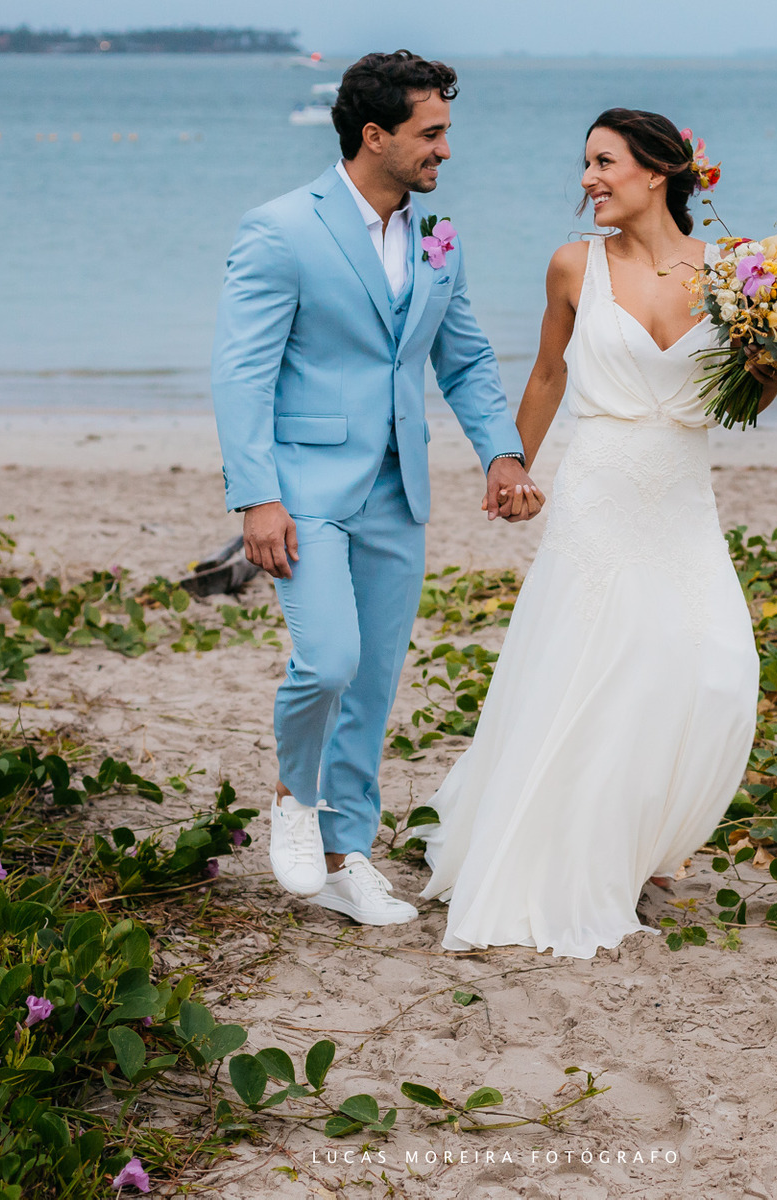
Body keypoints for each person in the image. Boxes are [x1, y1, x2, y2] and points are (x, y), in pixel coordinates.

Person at [414, 108, 777, 957]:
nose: (587, 179)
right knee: (596, 670)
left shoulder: (737, 274)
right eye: (586, 163)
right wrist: (511, 465)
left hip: (682, 495)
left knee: (718, 671)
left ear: (657, 171)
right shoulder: (572, 265)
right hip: (599, 489)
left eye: (604, 162)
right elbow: (549, 373)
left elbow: (749, 400)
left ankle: (637, 842)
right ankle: (581, 855)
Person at [210, 50, 543, 926]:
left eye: (445, 132)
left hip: (400, 489)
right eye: (430, 133)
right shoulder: (282, 229)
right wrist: (257, 497)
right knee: (328, 660)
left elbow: (462, 357)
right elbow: (242, 372)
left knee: (373, 685)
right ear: (374, 135)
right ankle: (294, 796)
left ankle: (345, 853)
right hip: (305, 489)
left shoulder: (439, 237)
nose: (445, 150)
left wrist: (502, 453)